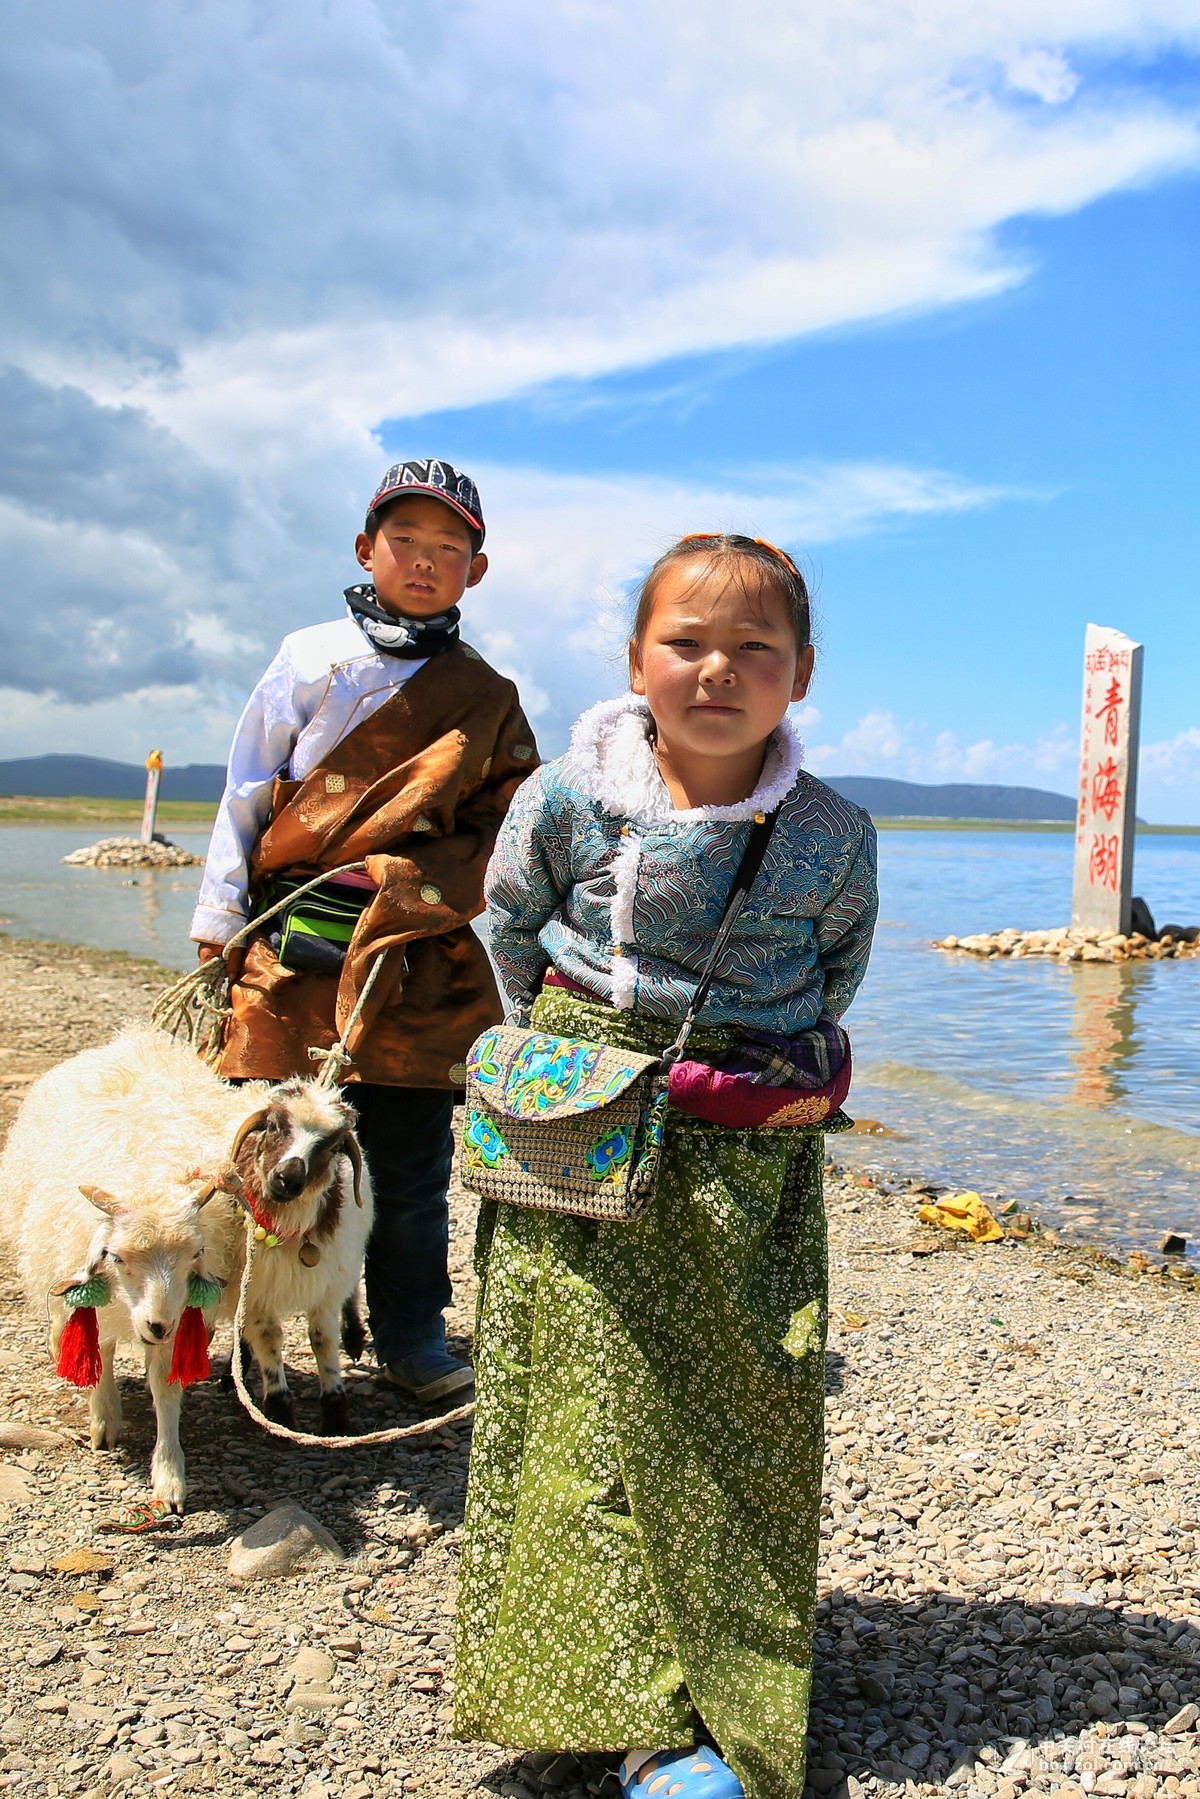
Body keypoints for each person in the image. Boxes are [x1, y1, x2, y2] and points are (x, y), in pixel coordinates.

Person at [454, 533, 878, 1799]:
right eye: (685, 641)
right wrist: (578, 1065)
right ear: (635, 659)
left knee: (736, 1413)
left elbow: (836, 970)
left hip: (742, 1156)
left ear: (801, 674)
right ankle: (607, 1696)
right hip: (578, 1137)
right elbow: (511, 929)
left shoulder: (835, 830)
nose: (718, 669)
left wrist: (707, 1073)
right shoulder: (564, 799)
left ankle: (717, 1701)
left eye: (756, 647)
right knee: (573, 1406)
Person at [190, 458, 539, 1406]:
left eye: (449, 548)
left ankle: (412, 1334)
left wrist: (411, 884)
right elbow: (247, 790)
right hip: (294, 938)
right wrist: (221, 918)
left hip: (418, 956)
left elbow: (510, 826)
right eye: (405, 542)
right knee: (267, 1148)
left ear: (476, 568)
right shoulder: (307, 658)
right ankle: (254, 1331)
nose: (425, 562)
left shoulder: (488, 695)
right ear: (364, 548)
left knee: (414, 1164)